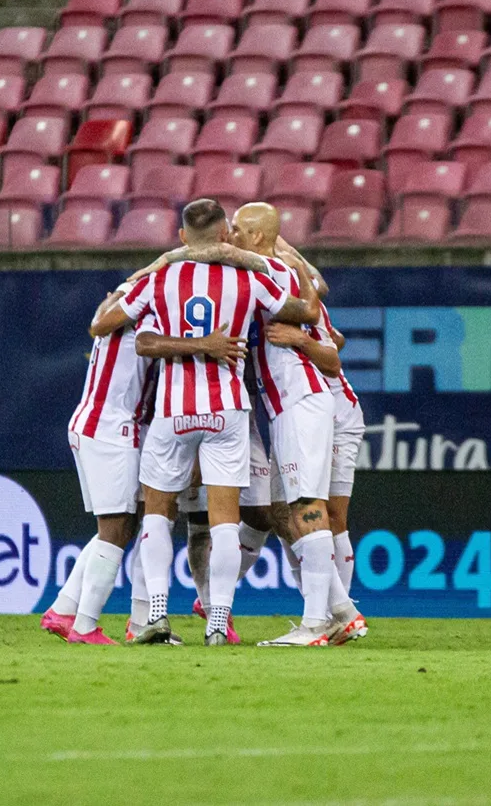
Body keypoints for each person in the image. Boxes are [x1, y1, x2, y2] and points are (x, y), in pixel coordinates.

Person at [91, 199, 320, 645]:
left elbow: (105, 325)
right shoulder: (250, 279)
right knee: (224, 521)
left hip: (173, 412)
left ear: (180, 239)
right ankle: (218, 621)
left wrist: (139, 277)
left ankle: (156, 614)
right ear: (223, 237)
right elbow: (306, 311)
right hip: (228, 410)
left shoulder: (160, 279)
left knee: (158, 516)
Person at [45, 239, 268, 645]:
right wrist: (207, 345)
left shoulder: (122, 303)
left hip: (105, 423)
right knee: (124, 526)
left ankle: (79, 610)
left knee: (136, 520)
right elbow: (141, 341)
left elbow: (102, 321)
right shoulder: (148, 308)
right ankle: (85, 622)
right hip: (113, 427)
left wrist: (164, 262)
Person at [231, 203, 364, 647]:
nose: (229, 237)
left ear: (253, 237)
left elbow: (312, 314)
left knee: (307, 505)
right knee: (294, 507)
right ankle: (339, 612)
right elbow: (316, 303)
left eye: (235, 230)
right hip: (291, 402)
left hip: (299, 399)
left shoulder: (265, 271)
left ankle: (316, 623)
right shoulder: (281, 269)